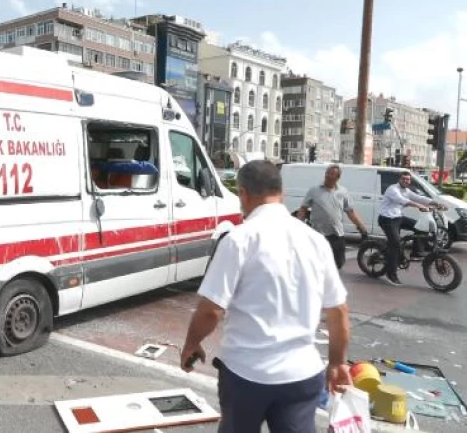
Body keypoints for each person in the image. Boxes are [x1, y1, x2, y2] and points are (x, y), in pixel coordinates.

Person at [180, 160, 351, 433]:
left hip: (247, 375)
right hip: (302, 375)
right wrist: (337, 362)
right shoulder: (316, 241)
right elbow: (338, 311)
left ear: (243, 194)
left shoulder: (239, 240)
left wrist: (191, 343)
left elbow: (212, 310)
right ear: (280, 193)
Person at [298, 164, 368, 269]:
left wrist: (361, 227)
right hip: (318, 233)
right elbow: (303, 208)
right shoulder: (314, 190)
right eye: (326, 173)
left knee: (339, 262)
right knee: (316, 263)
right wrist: (299, 225)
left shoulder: (343, 192)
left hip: (336, 234)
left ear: (337, 178)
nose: (327, 176)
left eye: (331, 174)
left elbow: (350, 212)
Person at [378, 171, 442, 285]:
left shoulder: (406, 190)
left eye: (408, 179)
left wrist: (436, 203)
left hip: (398, 217)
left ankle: (416, 251)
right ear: (399, 180)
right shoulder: (393, 189)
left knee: (420, 227)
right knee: (396, 245)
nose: (406, 181)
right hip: (387, 219)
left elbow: (418, 197)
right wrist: (420, 206)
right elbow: (404, 201)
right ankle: (391, 274)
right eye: (403, 179)